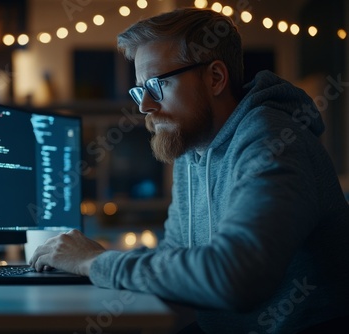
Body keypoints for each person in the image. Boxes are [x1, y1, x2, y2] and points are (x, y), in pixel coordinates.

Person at [29, 7, 349, 333]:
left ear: (215, 78)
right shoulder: (192, 150)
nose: (144, 107)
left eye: (156, 85)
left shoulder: (272, 141)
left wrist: (93, 261)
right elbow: (175, 255)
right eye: (140, 90)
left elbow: (235, 277)